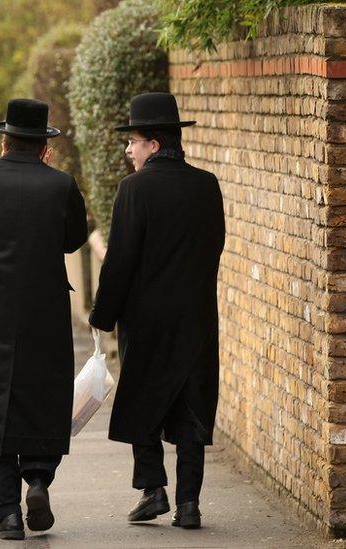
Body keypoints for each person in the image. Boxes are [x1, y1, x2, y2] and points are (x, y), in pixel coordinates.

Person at [0, 98, 88, 541]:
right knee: (43, 395)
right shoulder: (61, 185)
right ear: (44, 145)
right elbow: (73, 241)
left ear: (4, 140)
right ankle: (40, 479)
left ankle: (7, 514)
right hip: (45, 310)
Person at [89, 92, 225, 530]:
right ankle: (189, 503)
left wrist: (103, 315)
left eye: (132, 141)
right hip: (196, 317)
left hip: (146, 320)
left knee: (141, 400)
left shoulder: (135, 188)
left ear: (152, 144)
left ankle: (152, 488)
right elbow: (215, 247)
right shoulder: (207, 185)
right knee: (190, 408)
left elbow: (121, 259)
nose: (128, 150)